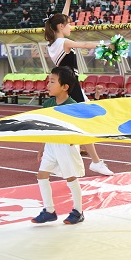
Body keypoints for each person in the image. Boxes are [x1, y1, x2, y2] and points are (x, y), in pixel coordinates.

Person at [45, 0, 113, 176]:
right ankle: (96, 162)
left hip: (66, 84)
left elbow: (62, 17)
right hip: (71, 85)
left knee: (69, 121)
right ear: (61, 27)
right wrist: (107, 46)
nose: (71, 27)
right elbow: (84, 44)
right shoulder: (64, 42)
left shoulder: (52, 43)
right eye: (68, 24)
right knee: (84, 122)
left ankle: (55, 160)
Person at [31, 67, 87, 225]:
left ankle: (78, 211)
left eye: (52, 82)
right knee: (42, 175)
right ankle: (49, 211)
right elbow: (45, 128)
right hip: (51, 145)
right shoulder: (48, 104)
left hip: (66, 146)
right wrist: (42, 148)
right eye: (48, 81)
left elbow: (80, 126)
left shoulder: (72, 105)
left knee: (71, 177)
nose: (48, 85)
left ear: (65, 87)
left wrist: (75, 140)